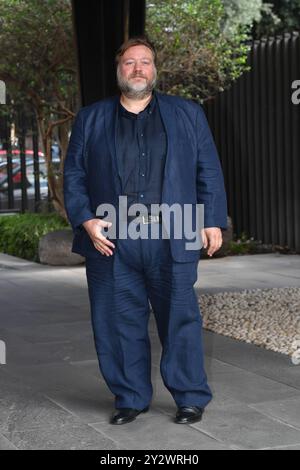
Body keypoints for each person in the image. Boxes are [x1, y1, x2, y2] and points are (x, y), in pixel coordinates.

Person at [63, 36, 228, 425]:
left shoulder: (187, 114)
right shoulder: (91, 118)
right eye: (129, 62)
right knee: (118, 321)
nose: (138, 68)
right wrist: (85, 218)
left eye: (146, 62)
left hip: (176, 230)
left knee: (181, 318)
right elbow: (73, 174)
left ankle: (189, 396)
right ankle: (130, 397)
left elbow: (208, 168)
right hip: (112, 236)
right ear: (118, 70)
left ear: (155, 70)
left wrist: (212, 219)